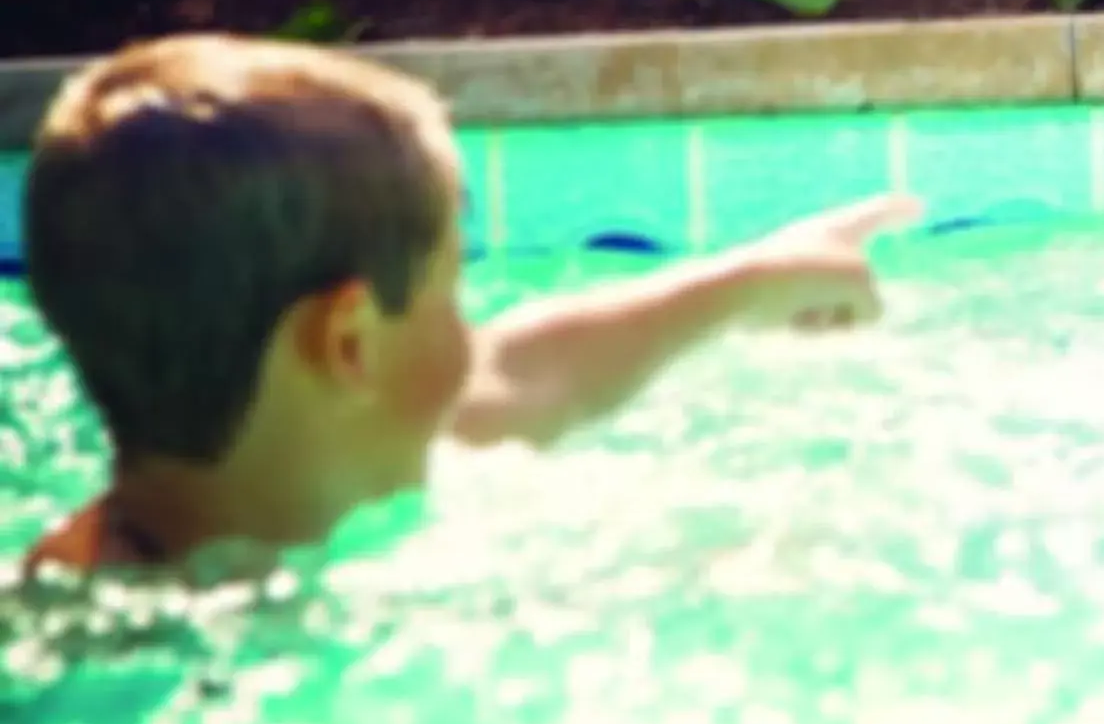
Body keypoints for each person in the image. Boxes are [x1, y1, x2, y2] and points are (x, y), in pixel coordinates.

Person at [15, 33, 916, 579]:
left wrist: (754, 280)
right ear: (350, 344)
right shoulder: (103, 661)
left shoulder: (308, 443)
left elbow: (523, 374)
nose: (471, 337)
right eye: (453, 292)